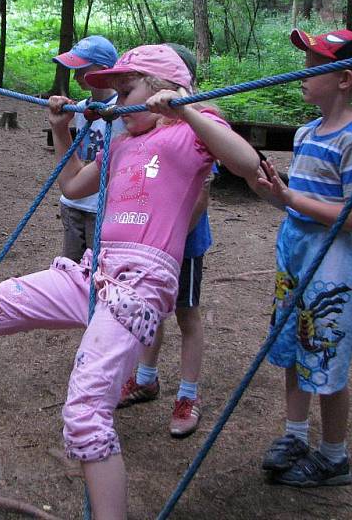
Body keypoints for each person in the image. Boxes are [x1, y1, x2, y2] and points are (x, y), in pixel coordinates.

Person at [0, 45, 260, 518]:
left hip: (140, 286)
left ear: (160, 86)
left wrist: (186, 109)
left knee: (86, 414)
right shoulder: (122, 141)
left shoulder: (190, 131)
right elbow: (73, 187)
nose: (113, 99)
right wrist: (59, 128)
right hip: (93, 273)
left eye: (123, 88)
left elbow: (248, 163)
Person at [253, 29, 352, 488]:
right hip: (295, 252)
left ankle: (334, 456)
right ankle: (295, 435)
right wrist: (271, 193)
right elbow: (297, 202)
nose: (303, 73)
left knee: (325, 354)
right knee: (291, 345)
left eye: (314, 65)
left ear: (343, 79)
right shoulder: (306, 132)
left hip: (332, 262)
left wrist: (291, 197)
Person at [117, 44, 215, 439]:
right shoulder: (148, 129)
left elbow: (202, 196)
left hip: (183, 245)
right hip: (151, 246)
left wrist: (171, 243)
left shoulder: (195, 130)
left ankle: (187, 396)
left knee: (187, 315)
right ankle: (146, 379)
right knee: (151, 312)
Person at [52, 35, 125, 261]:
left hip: (102, 207)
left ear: (103, 71)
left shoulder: (125, 110)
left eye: (81, 70)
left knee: (98, 268)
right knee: (71, 267)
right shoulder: (82, 109)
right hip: (74, 203)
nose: (75, 77)